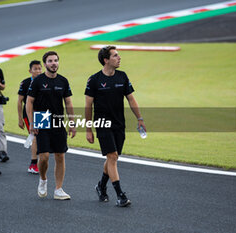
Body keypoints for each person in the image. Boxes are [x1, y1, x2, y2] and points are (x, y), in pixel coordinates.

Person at [85, 45, 146, 207]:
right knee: (112, 157)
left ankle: (101, 186)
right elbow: (87, 106)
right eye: (115, 56)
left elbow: (131, 99)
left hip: (119, 124)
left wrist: (139, 118)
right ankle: (120, 194)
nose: (119, 58)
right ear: (106, 60)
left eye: (118, 55)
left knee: (113, 157)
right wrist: (88, 129)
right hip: (102, 124)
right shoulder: (94, 80)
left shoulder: (122, 76)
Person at [26, 51, 76, 200]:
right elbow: (29, 102)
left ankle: (58, 189)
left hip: (58, 119)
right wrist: (32, 122)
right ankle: (43, 179)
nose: (54, 63)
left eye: (56, 60)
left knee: (60, 155)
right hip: (42, 118)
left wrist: (72, 122)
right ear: (45, 64)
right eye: (50, 61)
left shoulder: (63, 81)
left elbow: (68, 102)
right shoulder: (37, 81)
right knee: (45, 156)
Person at [18, 60, 42, 174]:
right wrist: (20, 119)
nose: (38, 71)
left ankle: (40, 162)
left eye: (39, 68)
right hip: (29, 115)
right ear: (30, 71)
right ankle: (33, 164)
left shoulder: (45, 81)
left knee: (43, 138)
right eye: (35, 69)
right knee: (35, 136)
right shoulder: (25, 83)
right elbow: (19, 101)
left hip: (42, 114)